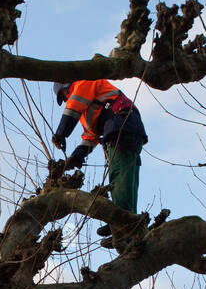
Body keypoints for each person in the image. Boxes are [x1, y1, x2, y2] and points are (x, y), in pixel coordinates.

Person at [52, 79, 148, 236]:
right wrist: (76, 157)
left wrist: (61, 133)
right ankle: (126, 226)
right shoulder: (89, 111)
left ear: (67, 87)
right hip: (123, 129)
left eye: (63, 96)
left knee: (119, 174)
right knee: (123, 176)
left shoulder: (85, 81)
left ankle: (124, 222)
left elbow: (74, 104)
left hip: (123, 124)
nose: (64, 100)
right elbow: (91, 136)